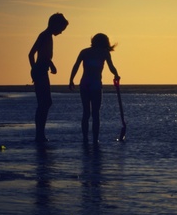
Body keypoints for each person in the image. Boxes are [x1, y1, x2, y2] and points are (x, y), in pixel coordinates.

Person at [69, 33, 120, 144]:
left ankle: (85, 139)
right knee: (95, 113)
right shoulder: (104, 53)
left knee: (86, 112)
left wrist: (71, 79)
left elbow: (76, 66)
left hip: (84, 84)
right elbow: (111, 66)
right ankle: (95, 139)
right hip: (95, 84)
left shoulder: (84, 52)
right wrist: (116, 75)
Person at [29, 13, 69, 142]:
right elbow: (31, 54)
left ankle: (40, 134)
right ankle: (39, 134)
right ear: (54, 25)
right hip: (40, 71)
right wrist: (34, 69)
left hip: (43, 69)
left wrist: (51, 64)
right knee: (44, 103)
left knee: (46, 103)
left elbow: (44, 55)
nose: (61, 32)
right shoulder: (44, 35)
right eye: (61, 29)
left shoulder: (48, 36)